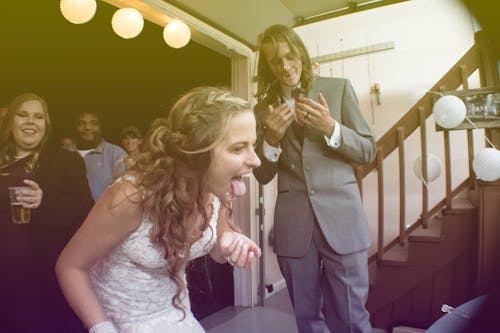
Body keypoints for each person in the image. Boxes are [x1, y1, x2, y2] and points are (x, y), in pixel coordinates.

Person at [56, 86, 262, 333]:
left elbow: (218, 244)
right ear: (195, 151)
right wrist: (102, 328)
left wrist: (229, 241)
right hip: (122, 323)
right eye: (238, 148)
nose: (256, 159)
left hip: (177, 315)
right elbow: (70, 267)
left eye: (253, 145)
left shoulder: (216, 187)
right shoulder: (131, 197)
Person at [252, 25, 376, 333]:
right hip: (294, 228)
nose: (284, 66)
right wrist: (271, 138)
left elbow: (367, 151)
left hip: (342, 222)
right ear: (267, 66)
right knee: (307, 320)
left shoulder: (338, 89)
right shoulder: (261, 111)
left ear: (301, 55)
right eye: (274, 61)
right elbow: (262, 174)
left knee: (352, 318)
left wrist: (331, 126)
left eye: (289, 56)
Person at [0, 93, 94, 333]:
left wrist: (45, 201)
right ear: (10, 120)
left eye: (38, 117)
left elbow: (86, 211)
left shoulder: (65, 161)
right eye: (23, 115)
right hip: (5, 282)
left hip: (47, 282)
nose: (31, 121)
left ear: (46, 125)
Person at [74, 111, 127, 200]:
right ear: (75, 127)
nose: (88, 127)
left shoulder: (116, 154)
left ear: (101, 127)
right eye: (82, 123)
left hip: (106, 213)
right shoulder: (66, 154)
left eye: (94, 123)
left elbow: (125, 195)